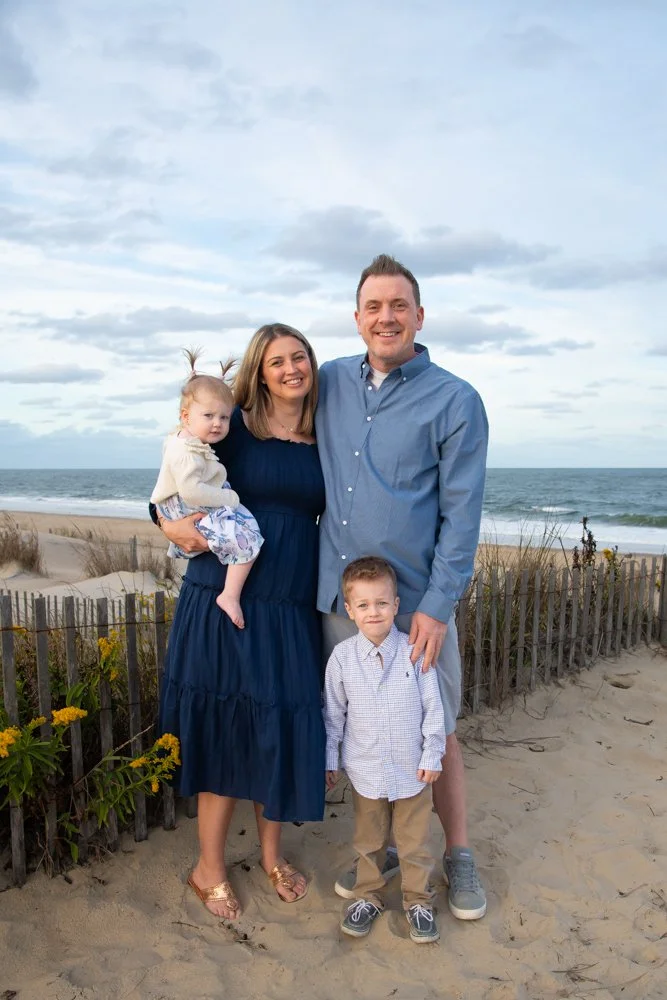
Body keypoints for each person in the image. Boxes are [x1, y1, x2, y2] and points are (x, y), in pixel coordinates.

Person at [316, 254, 489, 921]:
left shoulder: (455, 400)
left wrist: (438, 607)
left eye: (397, 306)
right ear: (356, 317)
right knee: (365, 727)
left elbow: (461, 516)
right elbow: (247, 417)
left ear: (419, 316)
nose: (385, 317)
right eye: (373, 306)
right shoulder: (329, 381)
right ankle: (385, 850)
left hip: (415, 607)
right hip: (341, 603)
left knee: (434, 729)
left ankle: (459, 854)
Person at [153, 324, 326, 921]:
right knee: (225, 729)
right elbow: (170, 483)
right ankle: (209, 867)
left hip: (292, 605)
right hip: (224, 598)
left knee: (277, 724)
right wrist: (167, 525)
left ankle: (273, 857)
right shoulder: (234, 429)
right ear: (260, 370)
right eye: (276, 361)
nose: (290, 368)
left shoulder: (325, 436)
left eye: (299, 357)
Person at [324, 557, 446, 943]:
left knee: (413, 844)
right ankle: (368, 896)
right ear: (349, 610)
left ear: (396, 605)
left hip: (412, 770)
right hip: (366, 769)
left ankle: (418, 901)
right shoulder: (342, 658)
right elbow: (334, 714)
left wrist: (432, 754)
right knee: (369, 841)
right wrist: (331, 758)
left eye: (381, 603)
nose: (373, 612)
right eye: (363, 605)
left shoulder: (415, 652)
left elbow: (433, 708)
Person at [150, 351, 263, 628]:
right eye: (209, 415)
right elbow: (191, 491)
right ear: (186, 417)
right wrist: (229, 498)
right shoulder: (186, 449)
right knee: (247, 541)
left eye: (224, 417)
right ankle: (230, 595)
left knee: (247, 530)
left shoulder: (188, 441)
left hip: (188, 502)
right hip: (187, 505)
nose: (217, 423)